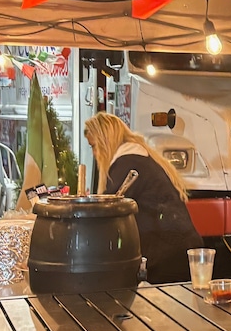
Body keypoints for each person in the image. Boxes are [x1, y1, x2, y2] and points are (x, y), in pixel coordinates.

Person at [84, 112, 203, 284]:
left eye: (93, 146)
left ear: (105, 142)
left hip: (168, 258)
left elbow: (106, 210)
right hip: (179, 252)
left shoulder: (128, 163)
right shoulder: (139, 158)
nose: (94, 154)